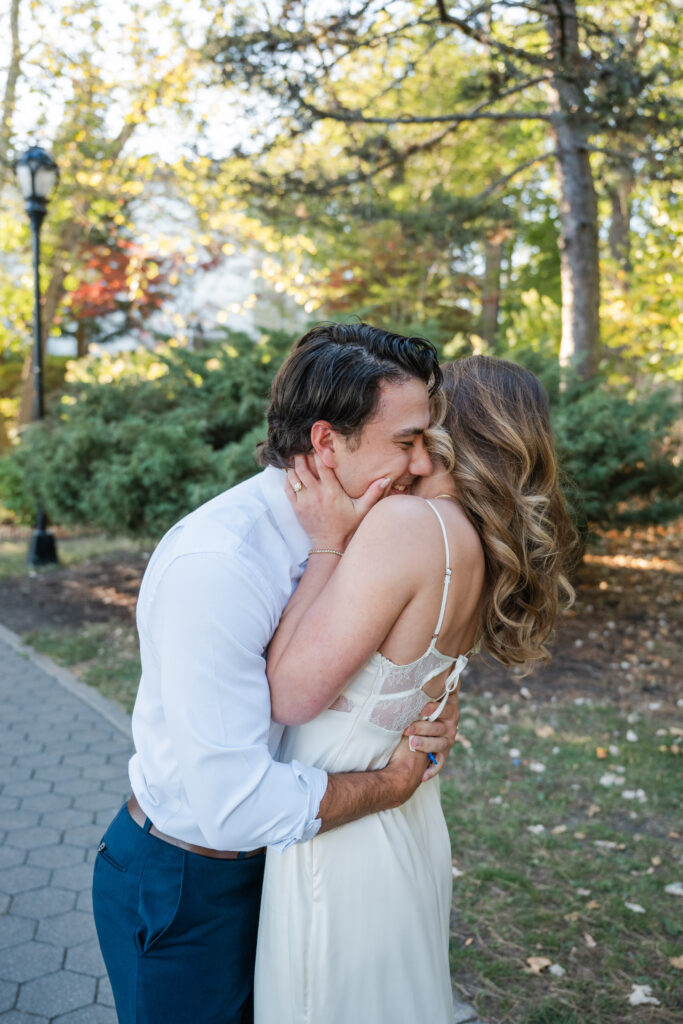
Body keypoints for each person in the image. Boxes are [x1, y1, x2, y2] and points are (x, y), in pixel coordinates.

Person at [91, 322, 461, 1024]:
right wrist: (390, 783)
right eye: (405, 442)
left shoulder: (363, 538)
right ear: (326, 442)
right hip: (190, 887)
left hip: (286, 868)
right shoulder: (220, 565)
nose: (419, 465)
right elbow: (236, 807)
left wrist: (425, 711)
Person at [254, 355, 577, 1024]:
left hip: (340, 837)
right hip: (402, 818)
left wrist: (327, 543)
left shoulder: (407, 528)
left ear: (449, 433)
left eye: (416, 427)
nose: (409, 444)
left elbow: (288, 695)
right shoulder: (476, 540)